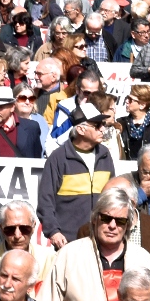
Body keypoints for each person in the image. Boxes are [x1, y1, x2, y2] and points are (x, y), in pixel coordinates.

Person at [39, 189, 150, 301]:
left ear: (127, 225)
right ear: (95, 218)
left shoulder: (146, 261)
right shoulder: (68, 256)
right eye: (106, 218)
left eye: (120, 221)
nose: (112, 226)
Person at [37, 103, 116, 248]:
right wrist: (54, 232)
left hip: (102, 240)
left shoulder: (105, 154)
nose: (103, 129)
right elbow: (45, 201)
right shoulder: (58, 158)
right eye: (97, 125)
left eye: (103, 124)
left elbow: (112, 196)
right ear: (80, 129)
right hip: (69, 242)